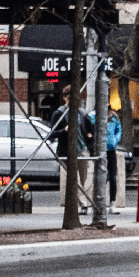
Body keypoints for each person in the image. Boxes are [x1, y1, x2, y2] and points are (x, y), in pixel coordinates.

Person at [50, 84, 94, 213]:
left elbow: (91, 131)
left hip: (82, 150)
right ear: (65, 98)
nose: (74, 101)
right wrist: (64, 130)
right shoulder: (59, 113)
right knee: (74, 178)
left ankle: (80, 203)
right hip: (67, 151)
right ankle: (84, 204)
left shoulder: (82, 113)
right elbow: (52, 133)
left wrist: (89, 138)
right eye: (70, 98)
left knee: (84, 178)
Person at [106, 110, 122, 213]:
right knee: (101, 177)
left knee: (112, 177)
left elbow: (118, 130)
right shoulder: (94, 115)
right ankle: (100, 202)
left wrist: (115, 141)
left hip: (111, 149)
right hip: (100, 149)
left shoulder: (113, 117)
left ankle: (112, 202)